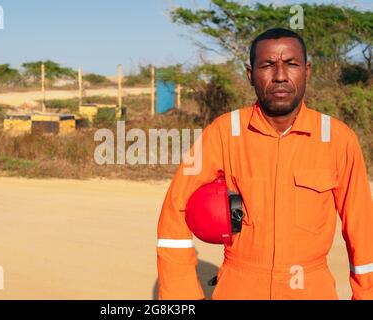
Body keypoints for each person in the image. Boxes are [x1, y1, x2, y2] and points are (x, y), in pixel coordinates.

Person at [156, 28, 373, 300]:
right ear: (250, 74)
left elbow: (362, 230)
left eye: (291, 64)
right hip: (238, 287)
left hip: (311, 288)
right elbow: (175, 211)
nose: (280, 75)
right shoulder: (223, 133)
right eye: (267, 65)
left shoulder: (338, 138)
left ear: (307, 71)